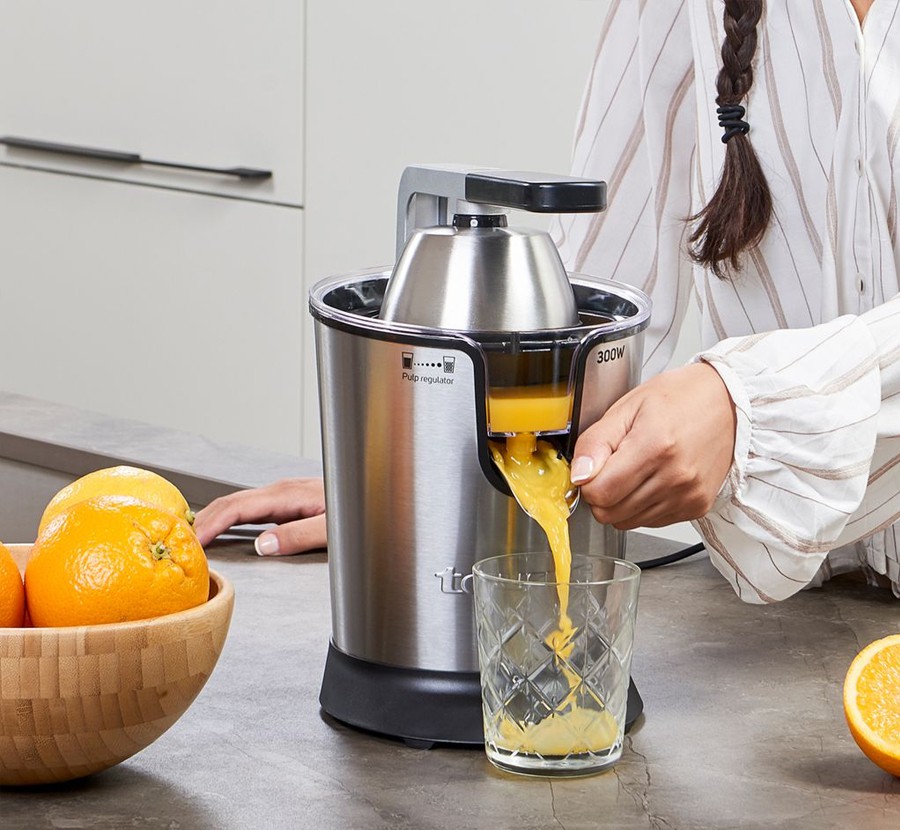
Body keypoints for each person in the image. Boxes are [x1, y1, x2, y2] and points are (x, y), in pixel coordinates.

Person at [195, 0, 900, 605]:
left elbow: (738, 407)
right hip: (793, 624)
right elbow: (594, 307)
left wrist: (747, 406)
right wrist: (433, 480)